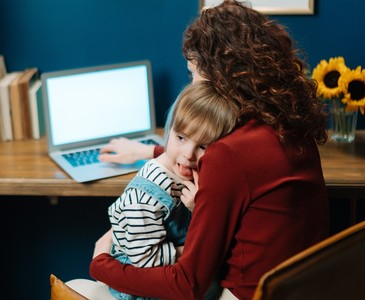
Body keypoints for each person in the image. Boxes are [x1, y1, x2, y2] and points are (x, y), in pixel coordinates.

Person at [74, 1, 330, 299]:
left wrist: (101, 264)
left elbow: (187, 285)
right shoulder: (289, 126)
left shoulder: (229, 155)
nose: (192, 84)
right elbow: (245, 172)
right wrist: (152, 152)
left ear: (223, 76)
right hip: (301, 289)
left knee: (81, 286)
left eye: (193, 73)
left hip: (243, 294)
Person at [67, 80, 239, 300]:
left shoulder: (198, 175)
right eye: (181, 138)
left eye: (203, 146)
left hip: (183, 279)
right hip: (146, 290)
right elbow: (146, 260)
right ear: (169, 130)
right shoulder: (145, 195)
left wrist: (198, 209)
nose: (188, 154)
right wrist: (190, 249)